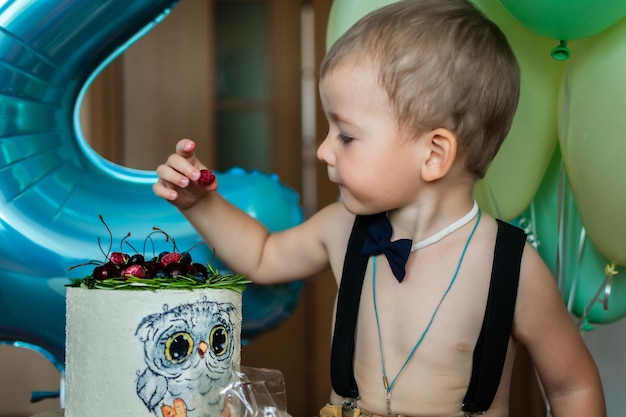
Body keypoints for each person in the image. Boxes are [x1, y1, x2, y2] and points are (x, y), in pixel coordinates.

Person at [153, 0, 605, 416]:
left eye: (346, 135)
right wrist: (201, 204)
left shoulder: (510, 264)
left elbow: (573, 387)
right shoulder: (343, 227)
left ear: (433, 154)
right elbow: (263, 256)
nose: (324, 151)